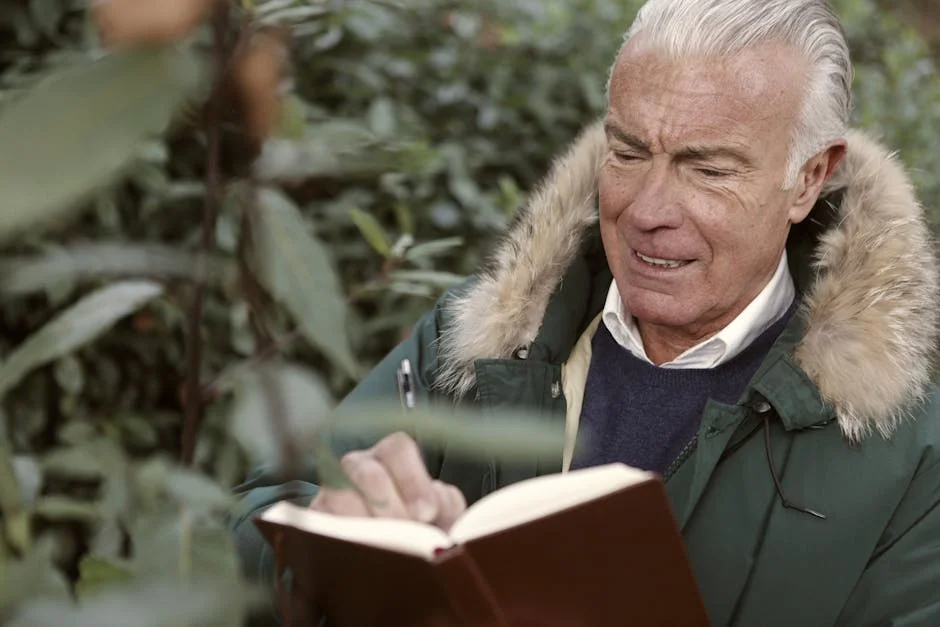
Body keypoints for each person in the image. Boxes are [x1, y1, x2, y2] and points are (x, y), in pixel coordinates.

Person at [230, 0, 940, 624]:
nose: (646, 210)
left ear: (807, 178)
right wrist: (324, 551)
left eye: (708, 169)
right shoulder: (480, 338)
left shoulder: (911, 460)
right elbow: (248, 526)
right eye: (628, 151)